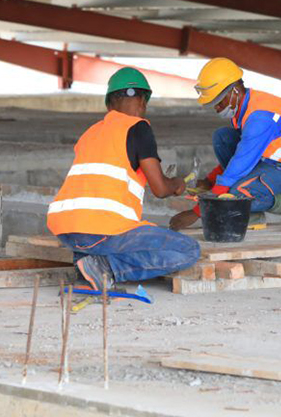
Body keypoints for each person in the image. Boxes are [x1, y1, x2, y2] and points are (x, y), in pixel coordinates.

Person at [47, 67, 201, 291]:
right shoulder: (138, 128)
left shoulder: (91, 132)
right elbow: (160, 188)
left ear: (109, 104)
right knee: (188, 250)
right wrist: (177, 184)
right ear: (142, 100)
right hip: (102, 231)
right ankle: (107, 267)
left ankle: (88, 264)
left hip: (67, 231)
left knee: (132, 235)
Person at [170, 57, 281, 232]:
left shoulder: (260, 118)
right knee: (223, 138)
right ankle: (253, 215)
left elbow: (243, 160)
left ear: (234, 91)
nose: (216, 108)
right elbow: (242, 155)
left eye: (218, 102)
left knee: (235, 195)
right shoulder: (248, 106)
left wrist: (197, 212)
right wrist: (210, 182)